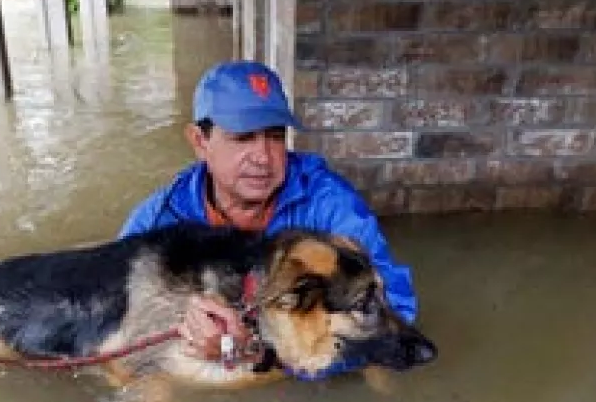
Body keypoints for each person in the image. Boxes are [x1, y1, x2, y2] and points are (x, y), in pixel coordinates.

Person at [118, 59, 420, 380]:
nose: (263, 157)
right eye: (243, 137)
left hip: (306, 378)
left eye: (275, 136)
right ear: (200, 142)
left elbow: (398, 307)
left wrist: (260, 354)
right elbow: (119, 333)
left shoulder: (328, 205)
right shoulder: (158, 222)